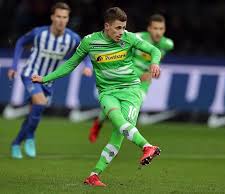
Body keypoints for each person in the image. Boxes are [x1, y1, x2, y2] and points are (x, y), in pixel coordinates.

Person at [32, 7, 161, 187]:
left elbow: (154, 50)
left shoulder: (129, 38)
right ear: (107, 26)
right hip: (107, 92)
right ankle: (147, 146)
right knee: (118, 120)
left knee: (119, 134)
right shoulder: (90, 42)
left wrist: (154, 63)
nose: (121, 32)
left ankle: (94, 175)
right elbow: (70, 64)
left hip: (131, 91)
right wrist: (45, 78)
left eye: (124, 27)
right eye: (117, 28)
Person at [8, 2, 92, 159]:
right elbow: (20, 42)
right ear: (52, 17)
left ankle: (16, 142)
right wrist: (13, 66)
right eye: (58, 16)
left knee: (34, 112)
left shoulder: (72, 38)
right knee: (39, 103)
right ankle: (31, 137)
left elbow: (85, 51)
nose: (61, 20)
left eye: (64, 17)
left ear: (68, 19)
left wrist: (87, 65)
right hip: (30, 73)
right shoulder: (39, 33)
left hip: (48, 80)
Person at [88, 14, 174, 143]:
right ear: (149, 29)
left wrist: (152, 72)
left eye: (161, 29)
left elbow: (158, 59)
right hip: (127, 77)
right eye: (155, 28)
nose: (158, 32)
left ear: (165, 30)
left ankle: (115, 142)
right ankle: (98, 123)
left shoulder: (167, 44)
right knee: (112, 107)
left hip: (143, 83)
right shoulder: (137, 37)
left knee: (132, 109)